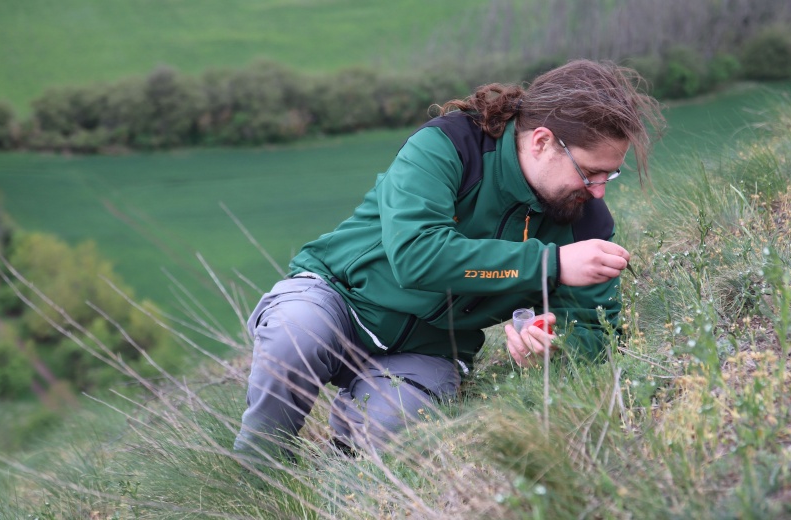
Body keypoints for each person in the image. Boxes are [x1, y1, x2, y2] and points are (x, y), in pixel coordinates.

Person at [234, 59, 663, 457]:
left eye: (611, 173)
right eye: (590, 173)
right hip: (337, 297)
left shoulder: (587, 226)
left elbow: (593, 334)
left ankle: (329, 486)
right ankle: (256, 474)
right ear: (542, 142)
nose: (600, 191)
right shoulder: (450, 145)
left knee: (390, 426)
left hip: (433, 349)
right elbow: (416, 255)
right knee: (295, 336)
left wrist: (551, 353)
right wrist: (549, 265)